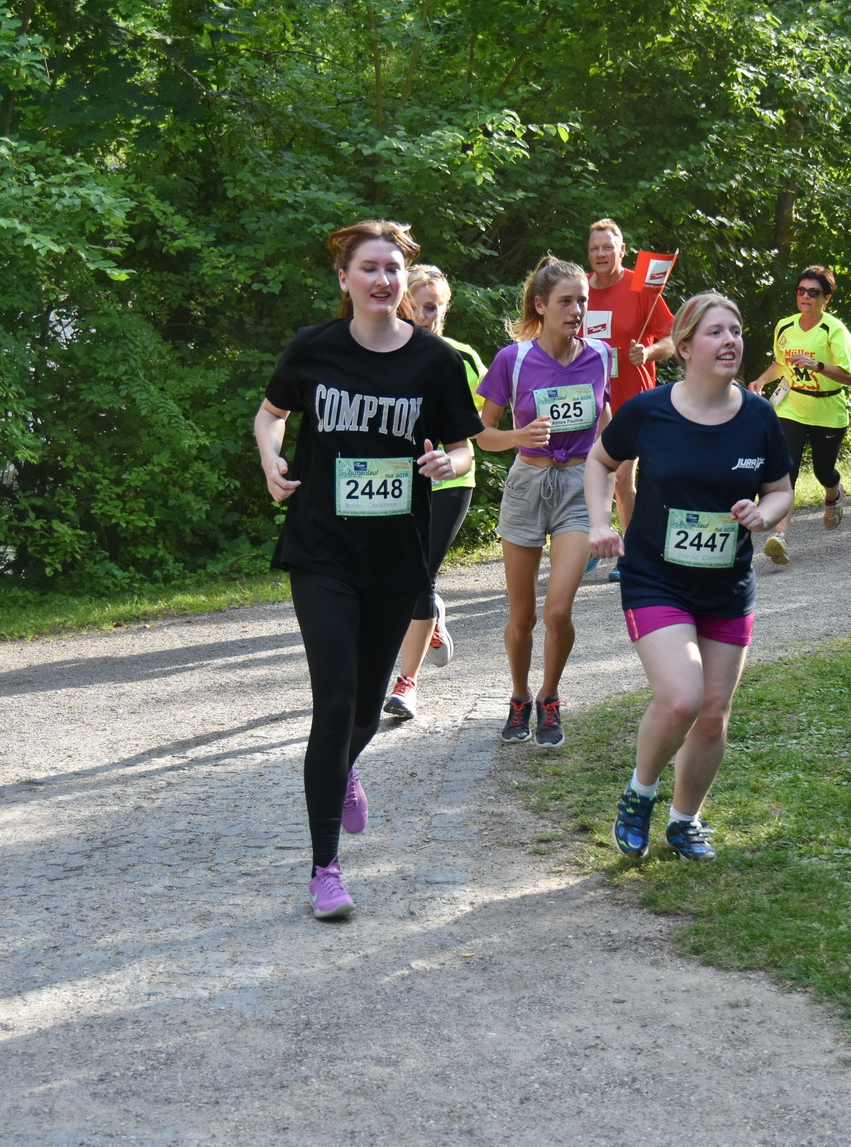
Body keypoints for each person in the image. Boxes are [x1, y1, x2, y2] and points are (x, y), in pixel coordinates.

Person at [254, 220, 483, 919]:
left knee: (362, 708)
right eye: (370, 268)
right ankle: (324, 869)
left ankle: (345, 764)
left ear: (404, 279)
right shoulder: (314, 347)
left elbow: (465, 449)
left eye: (393, 268)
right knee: (334, 703)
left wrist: (447, 460)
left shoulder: (435, 360)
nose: (383, 279)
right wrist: (271, 459)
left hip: (393, 556)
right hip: (321, 548)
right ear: (345, 279)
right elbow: (270, 415)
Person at [585, 292, 793, 861]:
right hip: (656, 579)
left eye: (736, 331)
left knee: (713, 714)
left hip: (726, 586)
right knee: (682, 698)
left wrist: (764, 514)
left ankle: (684, 821)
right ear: (683, 347)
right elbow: (600, 460)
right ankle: (639, 793)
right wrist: (600, 522)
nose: (730, 341)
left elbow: (780, 490)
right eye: (715, 332)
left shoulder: (758, 416)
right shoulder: (649, 410)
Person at [476, 256, 615, 749]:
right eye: (566, 301)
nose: (577, 310)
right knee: (522, 617)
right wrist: (519, 435)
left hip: (579, 485)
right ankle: (519, 697)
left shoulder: (600, 355)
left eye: (583, 301)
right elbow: (482, 434)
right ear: (541, 305)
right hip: (527, 485)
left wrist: (609, 495)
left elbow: (607, 426)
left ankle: (549, 696)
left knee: (557, 612)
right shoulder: (512, 360)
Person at [384, 265, 488, 719]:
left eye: (434, 307)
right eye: (418, 307)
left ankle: (406, 683)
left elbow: (491, 412)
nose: (426, 316)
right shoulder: (381, 354)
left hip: (450, 481)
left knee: (418, 576)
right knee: (393, 576)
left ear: (446, 309)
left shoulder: (460, 357)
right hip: (392, 482)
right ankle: (431, 619)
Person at [584, 219, 677, 575]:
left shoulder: (641, 289)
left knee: (622, 480)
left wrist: (648, 353)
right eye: (595, 249)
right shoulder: (579, 290)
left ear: (622, 250)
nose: (601, 254)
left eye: (608, 247)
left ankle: (632, 552)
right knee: (583, 477)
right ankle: (592, 538)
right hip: (587, 401)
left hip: (631, 401)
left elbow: (673, 337)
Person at [747, 265, 851, 565]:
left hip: (827, 410)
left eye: (813, 292)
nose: (805, 297)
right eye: (801, 291)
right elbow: (781, 363)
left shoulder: (835, 330)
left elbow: (849, 377)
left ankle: (834, 494)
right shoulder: (785, 326)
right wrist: (760, 380)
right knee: (787, 471)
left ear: (826, 298)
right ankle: (780, 538)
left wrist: (817, 365)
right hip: (791, 407)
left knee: (824, 471)